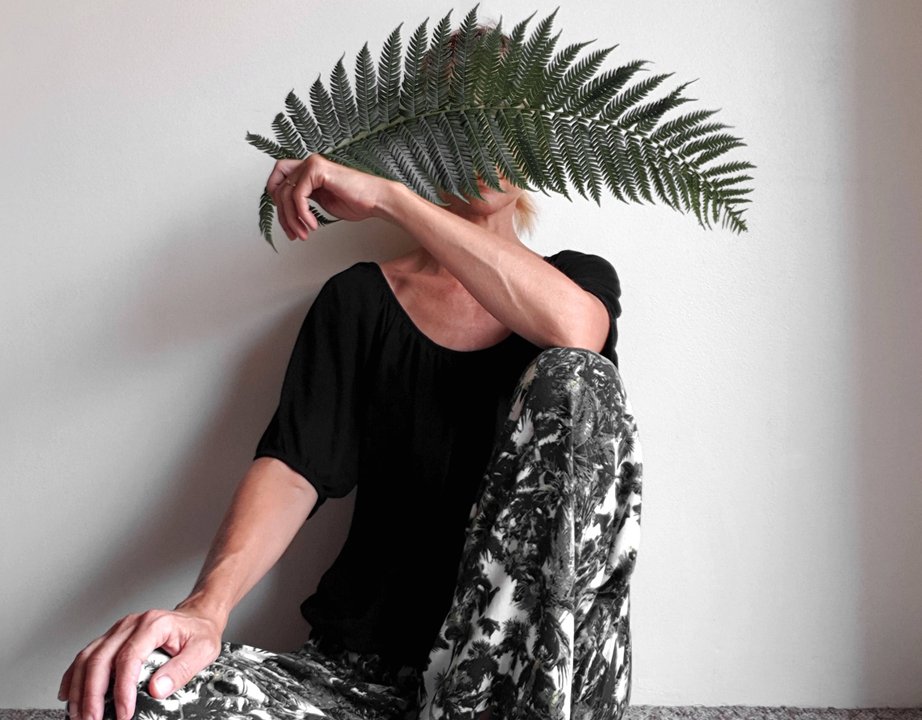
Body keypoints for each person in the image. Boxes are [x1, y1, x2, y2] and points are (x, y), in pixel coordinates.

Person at [60, 28, 644, 720]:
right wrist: (205, 610)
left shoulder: (577, 283)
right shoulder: (359, 299)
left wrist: (393, 200)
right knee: (137, 689)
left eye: (502, 118)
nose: (480, 141)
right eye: (455, 120)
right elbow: (295, 466)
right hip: (366, 679)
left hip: (529, 679)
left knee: (577, 379)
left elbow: (574, 336)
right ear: (422, 141)